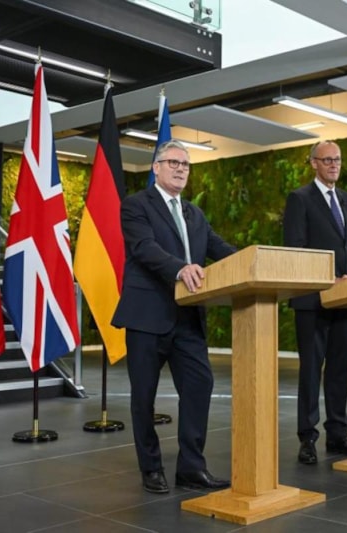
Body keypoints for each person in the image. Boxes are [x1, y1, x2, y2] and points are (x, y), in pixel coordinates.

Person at [111, 140, 236, 494]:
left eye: (186, 164)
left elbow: (221, 249)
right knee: (144, 397)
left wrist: (258, 259)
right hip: (147, 317)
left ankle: (191, 468)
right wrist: (181, 268)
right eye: (173, 163)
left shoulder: (195, 214)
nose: (181, 169)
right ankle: (151, 467)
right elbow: (144, 248)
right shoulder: (136, 205)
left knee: (200, 385)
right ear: (156, 167)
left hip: (188, 319)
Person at [283, 140, 347, 465]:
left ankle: (338, 432)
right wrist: (328, 279)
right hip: (312, 300)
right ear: (313, 163)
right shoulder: (300, 199)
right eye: (327, 159)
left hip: (346, 299)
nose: (334, 164)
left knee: (340, 369)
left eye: (338, 159)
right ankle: (307, 437)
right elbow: (296, 248)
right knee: (310, 370)